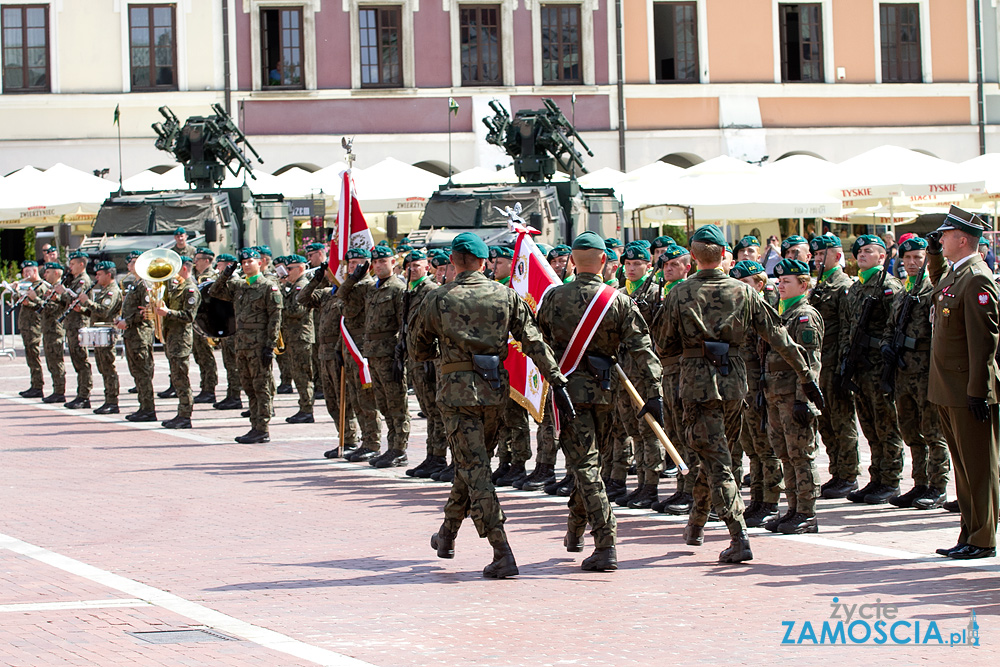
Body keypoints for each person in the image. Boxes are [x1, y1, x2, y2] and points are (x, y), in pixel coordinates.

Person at [651, 224, 823, 563]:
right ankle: (697, 522)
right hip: (733, 383)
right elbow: (778, 336)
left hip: (697, 385)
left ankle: (738, 534)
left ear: (693, 257)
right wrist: (806, 376)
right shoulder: (746, 294)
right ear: (723, 255)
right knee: (715, 455)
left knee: (716, 460)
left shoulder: (680, 293)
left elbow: (662, 342)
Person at [410, 232, 570, 579]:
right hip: (495, 392)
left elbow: (418, 347)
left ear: (453, 260)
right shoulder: (507, 296)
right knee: (473, 466)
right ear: (484, 262)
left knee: (475, 469)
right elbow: (533, 341)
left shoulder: (438, 299)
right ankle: (447, 535)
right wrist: (556, 378)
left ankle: (502, 550)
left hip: (456, 394)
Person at [534, 231, 660, 571]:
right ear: (605, 261)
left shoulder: (554, 298)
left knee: (585, 466)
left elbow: (539, 343)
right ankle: (576, 530)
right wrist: (654, 394)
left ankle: (605, 542)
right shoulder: (617, 301)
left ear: (573, 261)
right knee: (590, 465)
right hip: (606, 394)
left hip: (567, 394)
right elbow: (642, 350)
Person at [928, 207, 999, 560]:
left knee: (979, 467)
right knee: (963, 467)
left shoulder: (977, 278)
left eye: (944, 235)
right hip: (948, 387)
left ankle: (983, 537)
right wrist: (932, 256)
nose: (940, 240)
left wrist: (979, 390)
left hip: (968, 389)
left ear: (962, 239)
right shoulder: (955, 274)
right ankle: (969, 532)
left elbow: (984, 342)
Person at [881, 236, 951, 511]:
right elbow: (890, 326)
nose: (911, 263)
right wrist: (887, 345)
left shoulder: (932, 288)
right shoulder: (901, 293)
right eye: (907, 258)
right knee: (910, 432)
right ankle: (920, 483)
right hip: (903, 371)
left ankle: (938, 486)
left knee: (933, 432)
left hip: (926, 372)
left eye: (917, 258)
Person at [839, 235, 906, 505]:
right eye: (859, 252)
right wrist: (846, 357)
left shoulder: (888, 286)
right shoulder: (856, 288)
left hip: (879, 365)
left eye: (869, 251)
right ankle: (876, 478)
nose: (862, 255)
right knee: (869, 425)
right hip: (860, 367)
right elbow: (847, 326)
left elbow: (895, 326)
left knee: (886, 424)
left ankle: (890, 481)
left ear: (881, 256)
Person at [763, 259, 824, 534]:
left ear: (803, 284)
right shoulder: (781, 314)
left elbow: (810, 361)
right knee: (785, 454)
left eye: (787, 281)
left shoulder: (805, 316)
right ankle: (793, 509)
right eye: (779, 281)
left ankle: (807, 512)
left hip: (793, 396)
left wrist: (804, 399)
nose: (781, 285)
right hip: (776, 393)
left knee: (801, 455)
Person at [338, 244, 411, 468]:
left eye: (383, 261)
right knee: (384, 404)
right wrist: (353, 277)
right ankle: (389, 447)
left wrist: (401, 354)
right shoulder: (372, 288)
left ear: (393, 263)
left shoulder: (398, 288)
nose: (379, 265)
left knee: (397, 403)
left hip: (389, 353)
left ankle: (399, 449)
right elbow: (341, 296)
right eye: (375, 262)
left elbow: (403, 323)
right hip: (373, 353)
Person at [728, 260, 782, 528]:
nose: (739, 288)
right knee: (752, 447)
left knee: (766, 447)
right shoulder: (738, 308)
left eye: (745, 283)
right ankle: (757, 500)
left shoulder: (765, 310)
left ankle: (771, 502)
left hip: (762, 387)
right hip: (742, 386)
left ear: (759, 285)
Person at [808, 234, 861, 499]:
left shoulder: (843, 285)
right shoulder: (819, 284)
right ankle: (837, 471)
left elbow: (846, 328)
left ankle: (849, 475)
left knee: (842, 420)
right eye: (815, 255)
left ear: (837, 256)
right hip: (820, 363)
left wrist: (843, 365)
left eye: (822, 255)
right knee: (826, 422)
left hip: (834, 361)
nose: (817, 259)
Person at [211, 248, 282, 443]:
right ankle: (254, 426)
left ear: (260, 263)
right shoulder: (239, 286)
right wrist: (226, 273)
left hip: (259, 344)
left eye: (250, 261)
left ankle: (262, 428)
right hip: (241, 344)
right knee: (249, 387)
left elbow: (275, 318)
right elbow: (214, 291)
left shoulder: (269, 286)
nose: (246, 265)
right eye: (243, 262)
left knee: (261, 387)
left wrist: (270, 345)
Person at [613, 242, 665, 510]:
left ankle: (650, 486)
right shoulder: (618, 294)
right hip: (623, 370)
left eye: (637, 264)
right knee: (632, 429)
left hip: (645, 370)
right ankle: (639, 483)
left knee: (649, 430)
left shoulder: (657, 294)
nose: (631, 269)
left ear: (648, 265)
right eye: (628, 264)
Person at [651, 244, 700, 516]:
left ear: (687, 267)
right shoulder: (664, 292)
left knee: (687, 432)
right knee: (673, 432)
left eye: (674, 264)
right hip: (666, 370)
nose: (667, 268)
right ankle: (682, 487)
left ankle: (692, 489)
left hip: (683, 369)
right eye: (665, 264)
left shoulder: (688, 294)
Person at [298, 263, 361, 459]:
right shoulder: (326, 293)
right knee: (331, 399)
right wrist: (316, 279)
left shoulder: (349, 293)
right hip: (323, 352)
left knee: (346, 398)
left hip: (340, 350)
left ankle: (350, 439)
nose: (335, 273)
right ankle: (342, 435)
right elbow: (302, 298)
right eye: (332, 269)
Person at [400, 249, 449, 479]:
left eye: (444, 269)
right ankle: (433, 455)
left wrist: (430, 356)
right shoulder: (413, 291)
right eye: (438, 269)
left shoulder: (431, 290)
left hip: (434, 358)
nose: (441, 273)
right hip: (418, 357)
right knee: (429, 408)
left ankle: (439, 455)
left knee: (438, 409)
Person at [337, 249, 384, 462]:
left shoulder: (367, 287)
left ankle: (372, 442)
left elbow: (344, 300)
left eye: (358, 263)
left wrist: (354, 279)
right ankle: (364, 441)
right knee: (356, 398)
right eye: (351, 263)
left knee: (367, 400)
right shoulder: (354, 284)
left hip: (362, 349)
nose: (353, 267)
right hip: (350, 346)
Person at [156, 256, 200, 429]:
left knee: (182, 378)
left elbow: (189, 316)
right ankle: (181, 414)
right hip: (171, 337)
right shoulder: (177, 288)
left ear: (183, 269)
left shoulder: (190, 290)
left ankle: (185, 415)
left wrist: (168, 313)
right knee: (176, 377)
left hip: (181, 339)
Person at [78, 261, 123, 414]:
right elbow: (95, 313)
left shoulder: (112, 291)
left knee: (108, 367)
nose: (96, 277)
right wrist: (83, 309)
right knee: (102, 367)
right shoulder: (104, 291)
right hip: (99, 332)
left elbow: (104, 311)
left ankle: (112, 401)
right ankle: (107, 399)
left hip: (106, 332)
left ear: (109, 274)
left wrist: (87, 302)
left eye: (99, 274)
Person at [116, 251, 157, 422]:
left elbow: (147, 311)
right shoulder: (135, 283)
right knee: (136, 372)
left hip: (140, 333)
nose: (129, 266)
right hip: (132, 333)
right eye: (130, 262)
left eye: (133, 262)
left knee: (143, 372)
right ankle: (143, 406)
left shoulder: (145, 284)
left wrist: (128, 321)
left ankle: (148, 409)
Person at [54, 251, 93, 409]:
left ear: (81, 265)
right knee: (77, 360)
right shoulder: (74, 279)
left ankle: (84, 395)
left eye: (72, 264)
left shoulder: (83, 281)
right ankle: (81, 394)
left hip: (79, 324)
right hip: (72, 325)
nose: (69, 268)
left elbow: (76, 301)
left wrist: (63, 293)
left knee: (81, 361)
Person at [280, 254, 316, 424]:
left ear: (300, 268)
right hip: (293, 337)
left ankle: (307, 409)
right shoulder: (294, 286)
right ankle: (303, 407)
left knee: (302, 374)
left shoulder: (302, 287)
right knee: (297, 373)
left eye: (289, 269)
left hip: (301, 337)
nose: (286, 273)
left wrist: (280, 306)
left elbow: (297, 311)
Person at [210, 254, 243, 411]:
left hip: (234, 328)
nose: (218, 268)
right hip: (228, 327)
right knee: (229, 365)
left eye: (220, 265)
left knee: (235, 365)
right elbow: (213, 291)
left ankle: (235, 396)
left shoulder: (235, 282)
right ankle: (232, 394)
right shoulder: (226, 280)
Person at [189, 248, 219, 404]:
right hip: (196, 321)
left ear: (207, 260)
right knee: (199, 355)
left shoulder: (212, 277)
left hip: (207, 321)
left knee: (207, 356)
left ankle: (210, 388)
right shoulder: (196, 276)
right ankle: (204, 386)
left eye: (198, 259)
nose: (195, 262)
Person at [16, 260, 47, 398]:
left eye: (27, 272)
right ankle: (34, 384)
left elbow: (44, 308)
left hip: (34, 325)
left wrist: (30, 302)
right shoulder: (29, 285)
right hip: (26, 326)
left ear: (34, 271)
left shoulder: (41, 286)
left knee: (34, 356)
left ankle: (38, 385)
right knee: (30, 356)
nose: (25, 275)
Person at [36, 262, 67, 404]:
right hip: (48, 330)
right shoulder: (51, 289)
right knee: (51, 361)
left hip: (56, 330)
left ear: (56, 273)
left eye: (48, 272)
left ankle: (60, 391)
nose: (45, 275)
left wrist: (36, 299)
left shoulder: (61, 289)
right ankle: (56, 389)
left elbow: (53, 309)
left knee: (56, 361)